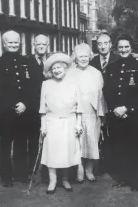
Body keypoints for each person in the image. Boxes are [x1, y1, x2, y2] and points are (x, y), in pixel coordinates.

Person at [104, 34, 138, 191]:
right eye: (121, 47)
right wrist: (114, 108)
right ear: (116, 49)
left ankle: (134, 180)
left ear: (131, 48)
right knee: (118, 146)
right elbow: (107, 91)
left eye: (126, 47)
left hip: (133, 115)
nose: (123, 50)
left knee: (133, 146)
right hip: (115, 115)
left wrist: (127, 108)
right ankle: (121, 178)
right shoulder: (111, 67)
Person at [0, 30, 33, 186]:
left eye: (16, 42)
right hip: (5, 111)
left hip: (23, 110)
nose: (14, 45)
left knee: (22, 142)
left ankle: (21, 174)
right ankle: (6, 176)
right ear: (4, 43)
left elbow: (30, 86)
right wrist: (15, 104)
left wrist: (25, 103)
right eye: (10, 43)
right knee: (6, 143)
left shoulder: (25, 61)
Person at [39, 52, 82, 194]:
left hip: (70, 122)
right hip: (52, 123)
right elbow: (42, 108)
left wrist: (78, 124)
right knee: (53, 152)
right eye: (53, 68)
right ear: (50, 71)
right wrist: (43, 125)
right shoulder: (46, 84)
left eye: (59, 67)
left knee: (67, 152)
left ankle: (65, 179)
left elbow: (79, 107)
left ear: (65, 68)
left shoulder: (73, 84)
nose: (57, 70)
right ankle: (53, 180)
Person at [72, 43, 104, 183]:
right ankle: (79, 169)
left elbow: (101, 95)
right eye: (80, 56)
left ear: (90, 57)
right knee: (77, 143)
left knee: (91, 141)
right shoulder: (70, 72)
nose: (83, 59)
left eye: (86, 56)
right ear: (76, 58)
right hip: (75, 113)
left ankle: (89, 169)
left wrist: (102, 116)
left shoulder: (96, 73)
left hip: (92, 112)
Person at [90, 32, 118, 175]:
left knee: (114, 134)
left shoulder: (117, 60)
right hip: (97, 103)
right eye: (99, 44)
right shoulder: (92, 62)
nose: (102, 46)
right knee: (99, 134)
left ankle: (114, 165)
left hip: (114, 103)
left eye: (105, 43)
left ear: (111, 45)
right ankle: (102, 164)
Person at [26, 34, 49, 176]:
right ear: (34, 45)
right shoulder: (27, 62)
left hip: (50, 106)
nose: (41, 46)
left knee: (51, 137)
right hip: (33, 107)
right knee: (33, 137)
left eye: (44, 44)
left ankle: (49, 166)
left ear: (47, 45)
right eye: (38, 44)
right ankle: (33, 167)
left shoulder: (52, 61)